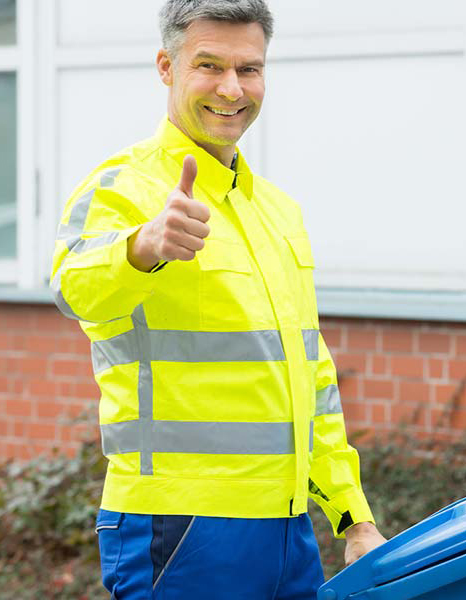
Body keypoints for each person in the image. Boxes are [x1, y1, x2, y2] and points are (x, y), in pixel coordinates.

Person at [49, 1, 386, 597]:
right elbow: (74, 288)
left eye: (249, 69)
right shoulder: (121, 190)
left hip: (286, 528)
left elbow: (312, 375)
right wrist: (140, 247)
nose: (232, 88)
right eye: (209, 65)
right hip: (179, 526)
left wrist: (352, 517)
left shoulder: (279, 212)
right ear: (166, 67)